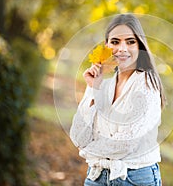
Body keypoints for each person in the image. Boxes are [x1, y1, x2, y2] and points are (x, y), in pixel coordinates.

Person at [70, 13, 166, 186]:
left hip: (134, 179)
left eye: (130, 42)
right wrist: (92, 88)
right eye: (115, 42)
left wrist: (87, 151)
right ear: (106, 46)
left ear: (140, 46)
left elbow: (125, 144)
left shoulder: (146, 86)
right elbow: (78, 136)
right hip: (96, 176)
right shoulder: (104, 85)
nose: (122, 48)